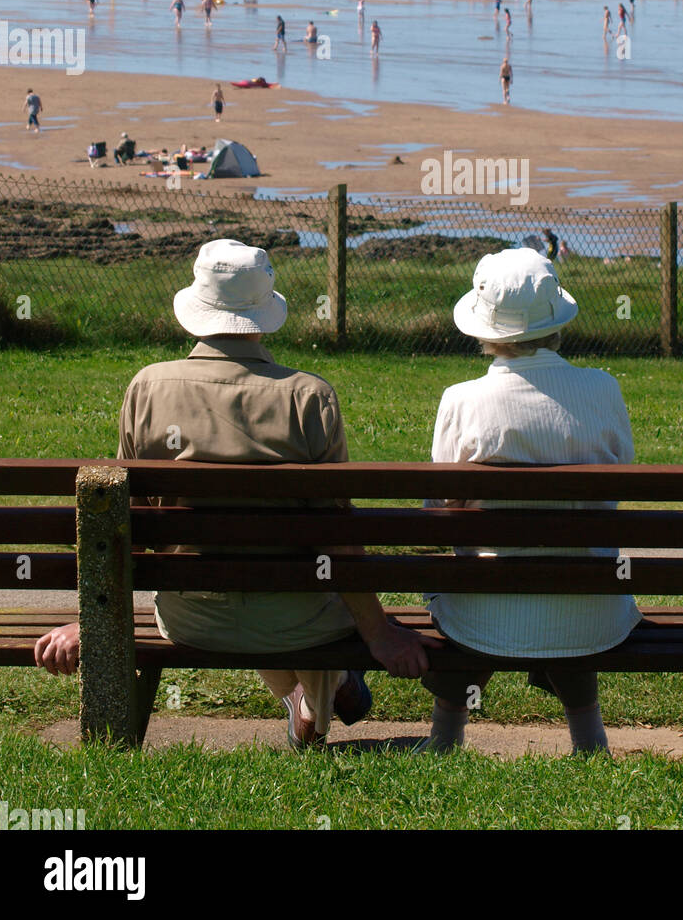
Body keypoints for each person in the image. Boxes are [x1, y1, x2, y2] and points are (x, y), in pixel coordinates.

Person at [33, 240, 431, 746]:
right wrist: (378, 632)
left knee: (270, 587)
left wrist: (91, 618)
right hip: (300, 622)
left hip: (190, 618)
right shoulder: (309, 396)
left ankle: (307, 702)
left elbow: (124, 521)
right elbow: (337, 535)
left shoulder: (147, 388)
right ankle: (320, 698)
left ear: (196, 309)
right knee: (313, 598)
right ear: (263, 315)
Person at [417, 248, 640, 754]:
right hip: (590, 610)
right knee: (559, 592)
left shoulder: (461, 399)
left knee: (471, 589)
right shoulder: (602, 389)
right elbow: (617, 487)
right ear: (555, 320)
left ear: (485, 327)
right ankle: (589, 740)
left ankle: (444, 739)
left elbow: (438, 513)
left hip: (483, 609)